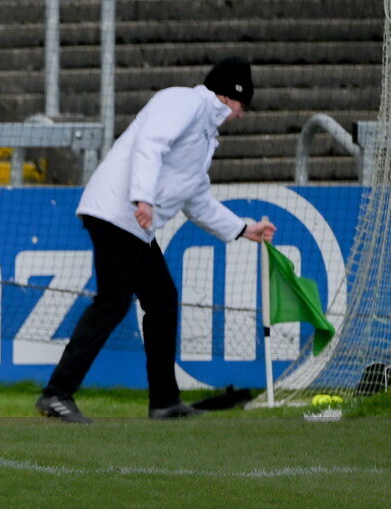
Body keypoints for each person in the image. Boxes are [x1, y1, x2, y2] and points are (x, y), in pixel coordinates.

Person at [36, 57, 276, 424]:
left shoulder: (204, 136)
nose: (242, 116)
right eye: (243, 106)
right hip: (118, 212)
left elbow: (197, 201)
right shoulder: (185, 102)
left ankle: (164, 402)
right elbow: (150, 144)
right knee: (112, 303)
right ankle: (56, 394)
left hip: (133, 221)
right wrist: (142, 197)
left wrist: (244, 229)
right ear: (230, 97)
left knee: (162, 300)